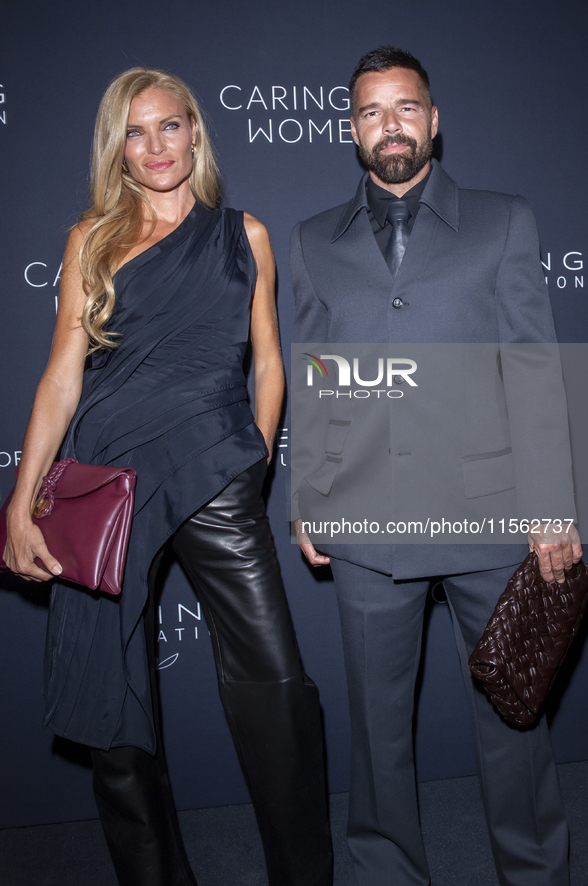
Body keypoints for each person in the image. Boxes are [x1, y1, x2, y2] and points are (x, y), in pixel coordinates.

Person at [3, 68, 333, 886]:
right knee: (110, 703)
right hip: (104, 482)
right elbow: (61, 381)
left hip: (214, 470)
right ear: (117, 147)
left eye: (170, 126)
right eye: (136, 132)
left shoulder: (241, 234)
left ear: (194, 132)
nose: (155, 146)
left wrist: (252, 455)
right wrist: (21, 501)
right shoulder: (92, 238)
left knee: (276, 686)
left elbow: (268, 362)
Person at [290, 46, 581, 886]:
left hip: (489, 515)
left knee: (514, 719)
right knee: (376, 731)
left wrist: (553, 506)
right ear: (352, 130)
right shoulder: (313, 242)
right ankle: (386, 872)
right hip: (367, 518)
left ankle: (532, 872)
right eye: (372, 111)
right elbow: (313, 380)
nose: (391, 125)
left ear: (433, 121)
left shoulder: (503, 219)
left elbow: (532, 369)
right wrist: (307, 494)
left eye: (405, 107)